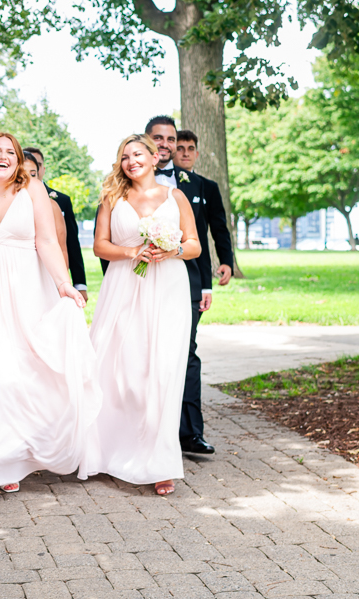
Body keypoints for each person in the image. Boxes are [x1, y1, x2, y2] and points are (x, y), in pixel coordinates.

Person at [0, 132, 99, 502]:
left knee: (19, 378)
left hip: (25, 295)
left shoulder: (33, 191)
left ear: (19, 161)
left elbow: (46, 241)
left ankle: (11, 462)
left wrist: (64, 283)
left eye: (10, 152)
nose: (3, 157)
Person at [87, 133, 201, 496]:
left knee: (163, 372)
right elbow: (100, 247)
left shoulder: (175, 196)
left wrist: (172, 249)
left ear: (155, 157)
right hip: (123, 287)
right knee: (123, 371)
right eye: (124, 157)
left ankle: (160, 462)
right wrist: (132, 253)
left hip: (167, 287)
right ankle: (110, 450)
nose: (131, 160)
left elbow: (195, 244)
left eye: (137, 154)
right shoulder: (112, 197)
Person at [150, 119, 233, 455]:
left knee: (186, 354)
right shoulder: (124, 183)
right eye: (159, 138)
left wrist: (209, 281)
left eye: (172, 139)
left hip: (186, 281)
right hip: (137, 282)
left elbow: (211, 231)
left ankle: (189, 433)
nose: (167, 145)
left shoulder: (196, 185)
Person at [24, 146, 88, 301]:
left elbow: (68, 245)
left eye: (34, 172)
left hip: (48, 273)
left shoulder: (57, 202)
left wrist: (69, 282)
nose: (29, 178)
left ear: (41, 170)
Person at [23, 151, 69, 270]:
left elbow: (62, 250)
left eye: (32, 174)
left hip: (44, 271)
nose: (29, 179)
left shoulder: (52, 206)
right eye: (22, 174)